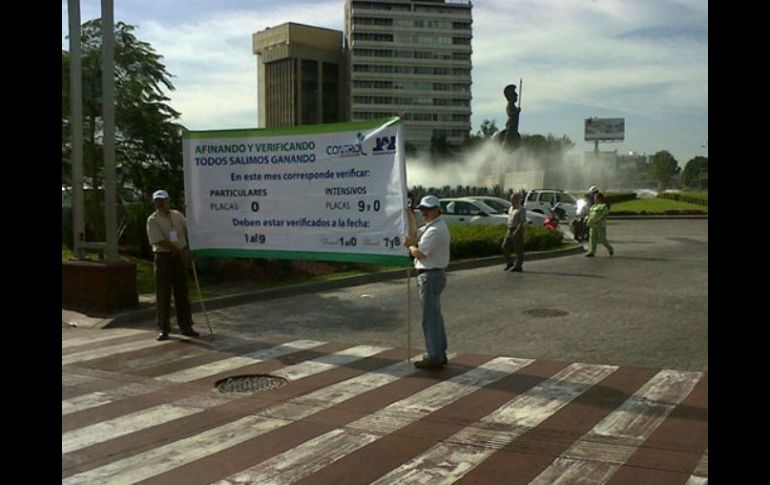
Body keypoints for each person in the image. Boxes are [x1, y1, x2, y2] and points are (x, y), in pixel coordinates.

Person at [146, 190, 199, 340]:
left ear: (168, 200)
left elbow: (188, 230)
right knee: (163, 294)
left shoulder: (177, 215)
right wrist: (179, 251)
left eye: (163, 200)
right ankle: (164, 328)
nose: (160, 203)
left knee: (182, 293)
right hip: (163, 258)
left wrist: (190, 249)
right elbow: (159, 241)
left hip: (179, 257)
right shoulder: (153, 219)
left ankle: (186, 326)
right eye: (157, 201)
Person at [405, 195, 450, 369]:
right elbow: (416, 232)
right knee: (434, 317)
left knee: (430, 318)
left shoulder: (435, 230)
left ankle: (435, 356)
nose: (425, 212)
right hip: (433, 275)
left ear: (437, 210)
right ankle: (439, 352)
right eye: (422, 209)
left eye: (428, 209)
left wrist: (410, 245)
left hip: (430, 275)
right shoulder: (435, 226)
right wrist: (409, 214)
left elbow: (420, 253)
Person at [501, 192, 526, 272]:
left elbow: (521, 222)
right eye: (511, 199)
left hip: (517, 229)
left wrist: (516, 231)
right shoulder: (511, 208)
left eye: (513, 199)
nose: (511, 200)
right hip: (509, 229)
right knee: (504, 246)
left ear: (517, 199)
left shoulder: (521, 209)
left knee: (518, 249)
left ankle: (518, 266)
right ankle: (509, 263)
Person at [585, 192, 614, 258]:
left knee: (602, 239)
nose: (594, 199)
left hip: (600, 225)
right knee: (592, 239)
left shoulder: (604, 206)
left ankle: (610, 249)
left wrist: (599, 219)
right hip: (593, 225)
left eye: (595, 198)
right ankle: (591, 252)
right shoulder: (594, 206)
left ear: (599, 198)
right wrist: (588, 218)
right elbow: (590, 213)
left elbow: (605, 215)